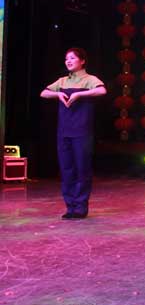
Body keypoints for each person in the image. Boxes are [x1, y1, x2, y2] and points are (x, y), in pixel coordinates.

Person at [40, 47, 106, 219]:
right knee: (66, 169)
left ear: (82, 61)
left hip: (82, 131)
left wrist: (80, 94)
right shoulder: (62, 81)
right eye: (66, 59)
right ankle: (70, 207)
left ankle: (81, 207)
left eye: (72, 58)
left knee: (82, 169)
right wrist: (58, 95)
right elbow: (43, 93)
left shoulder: (89, 79)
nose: (68, 61)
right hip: (64, 131)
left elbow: (102, 91)